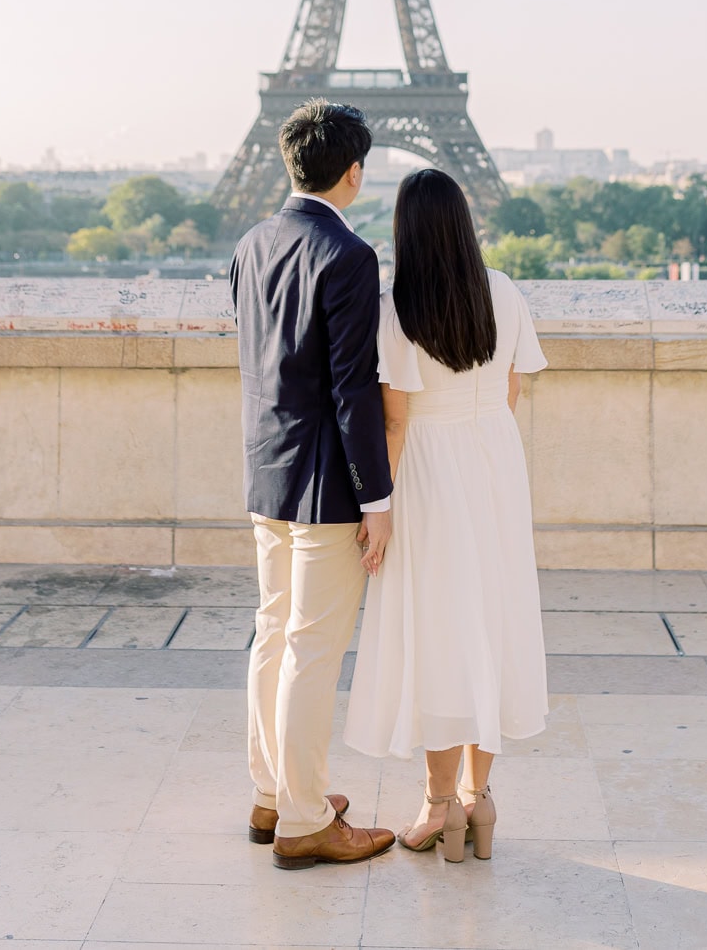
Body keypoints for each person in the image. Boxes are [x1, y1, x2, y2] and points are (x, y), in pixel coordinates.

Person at [344, 166, 549, 862]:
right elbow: (512, 388)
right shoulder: (507, 292)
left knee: (436, 630)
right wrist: (481, 444)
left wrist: (379, 508)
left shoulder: (395, 306)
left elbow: (395, 421)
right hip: (495, 459)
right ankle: (478, 797)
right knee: (491, 621)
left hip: (428, 468)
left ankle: (437, 805)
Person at [230, 99, 397, 872]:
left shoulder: (251, 244)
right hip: (329, 484)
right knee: (312, 648)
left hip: (267, 472)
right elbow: (353, 390)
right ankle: (303, 818)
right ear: (354, 172)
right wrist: (379, 499)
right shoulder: (350, 256)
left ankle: (274, 791)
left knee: (273, 634)